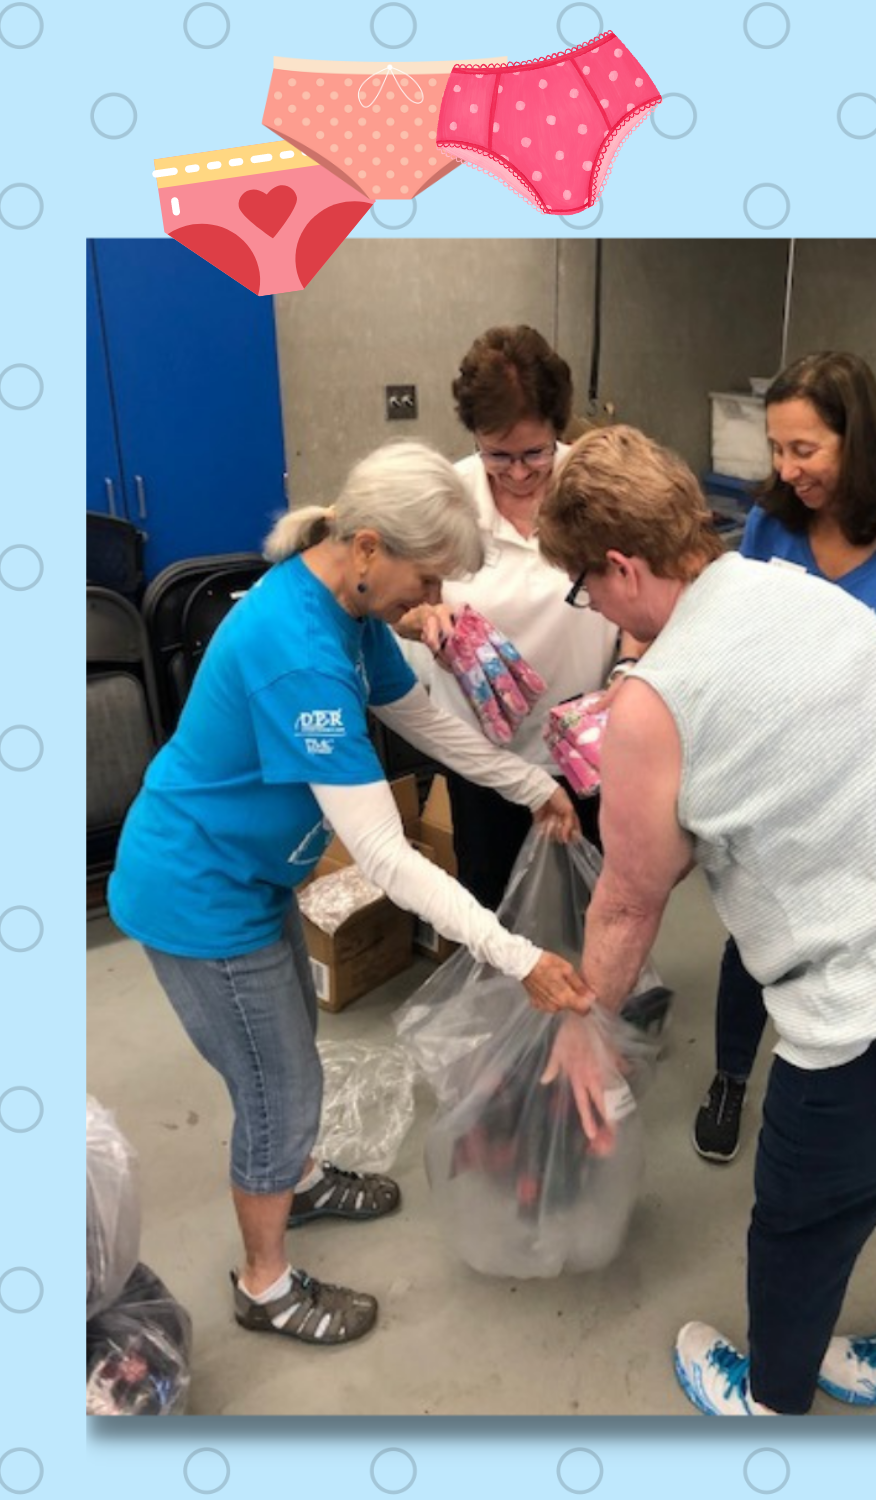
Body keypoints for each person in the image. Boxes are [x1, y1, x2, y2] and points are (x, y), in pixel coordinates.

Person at [534, 425, 876, 1417]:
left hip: (873, 1025)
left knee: (797, 1224)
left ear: (620, 567)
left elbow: (630, 895)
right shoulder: (797, 592)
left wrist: (584, 1025)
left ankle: (769, 1406)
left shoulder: (656, 700)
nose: (594, 610)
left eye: (586, 588)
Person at [108, 441, 592, 1346]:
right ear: (368, 547)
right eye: (427, 580)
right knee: (276, 1089)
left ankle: (298, 1179)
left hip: (251, 881)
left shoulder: (349, 611)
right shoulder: (299, 653)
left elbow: (429, 723)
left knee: (291, 1047)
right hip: (198, 890)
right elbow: (384, 856)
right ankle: (265, 1283)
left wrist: (533, 786)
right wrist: (517, 954)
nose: (432, 603)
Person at [695, 350, 876, 1166]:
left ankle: (866, 1093)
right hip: (779, 783)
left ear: (856, 440)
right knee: (755, 936)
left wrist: (871, 741)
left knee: (859, 938)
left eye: (805, 450)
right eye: (777, 450)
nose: (787, 470)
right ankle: (727, 1078)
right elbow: (739, 639)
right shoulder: (771, 523)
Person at [394, 325, 645, 909]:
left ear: (558, 428)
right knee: (493, 892)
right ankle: (503, 998)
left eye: (535, 452)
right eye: (497, 455)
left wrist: (627, 670)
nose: (519, 473)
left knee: (604, 891)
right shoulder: (445, 497)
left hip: (590, 736)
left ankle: (601, 993)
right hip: (482, 751)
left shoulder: (599, 484)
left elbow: (641, 592)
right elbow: (406, 599)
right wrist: (421, 622)